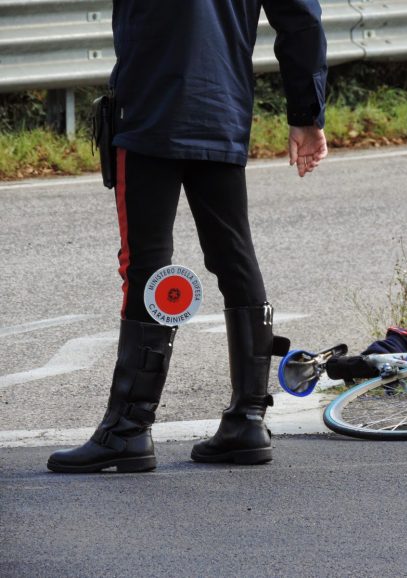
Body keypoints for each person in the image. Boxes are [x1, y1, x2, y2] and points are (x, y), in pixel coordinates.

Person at [47, 0, 328, 473]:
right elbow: (301, 16)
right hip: (221, 106)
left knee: (146, 264)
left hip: (149, 111)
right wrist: (306, 113)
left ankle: (128, 429)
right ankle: (248, 420)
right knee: (234, 256)